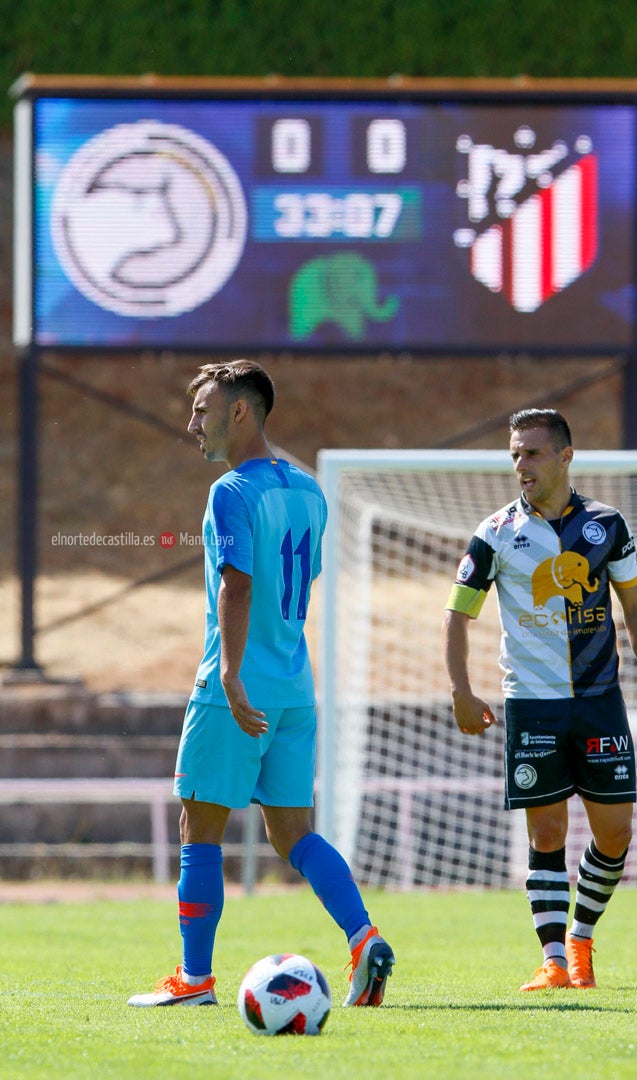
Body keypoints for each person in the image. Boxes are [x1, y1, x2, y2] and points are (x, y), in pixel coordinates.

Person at [128, 360, 394, 1008]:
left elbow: (240, 584)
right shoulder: (309, 492)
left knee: (200, 826)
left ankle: (194, 980)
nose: (192, 422)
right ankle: (363, 938)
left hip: (237, 688)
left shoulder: (231, 493)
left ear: (239, 411)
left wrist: (229, 671)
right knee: (292, 832)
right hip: (296, 687)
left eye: (202, 409)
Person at [442, 409, 637, 991]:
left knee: (615, 833)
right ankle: (554, 961)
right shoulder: (494, 533)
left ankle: (582, 936)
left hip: (599, 699)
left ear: (566, 456)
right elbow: (458, 615)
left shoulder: (606, 524)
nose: (521, 464)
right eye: (515, 453)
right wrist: (461, 691)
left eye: (533, 453)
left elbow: (636, 607)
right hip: (533, 704)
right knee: (546, 835)